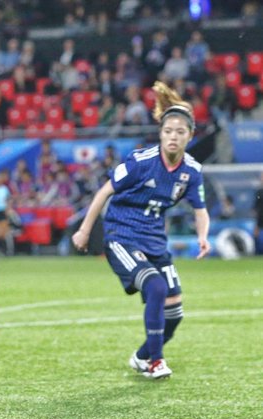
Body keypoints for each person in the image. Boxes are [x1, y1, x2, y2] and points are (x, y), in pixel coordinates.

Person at [71, 81, 211, 379]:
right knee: (155, 286)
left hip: (155, 242)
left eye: (180, 132)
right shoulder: (140, 162)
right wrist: (85, 230)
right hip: (121, 235)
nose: (173, 136)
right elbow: (103, 192)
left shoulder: (192, 171)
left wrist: (202, 236)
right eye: (168, 131)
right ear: (161, 133)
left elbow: (200, 209)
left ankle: (142, 356)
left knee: (175, 314)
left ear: (190, 136)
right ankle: (156, 361)